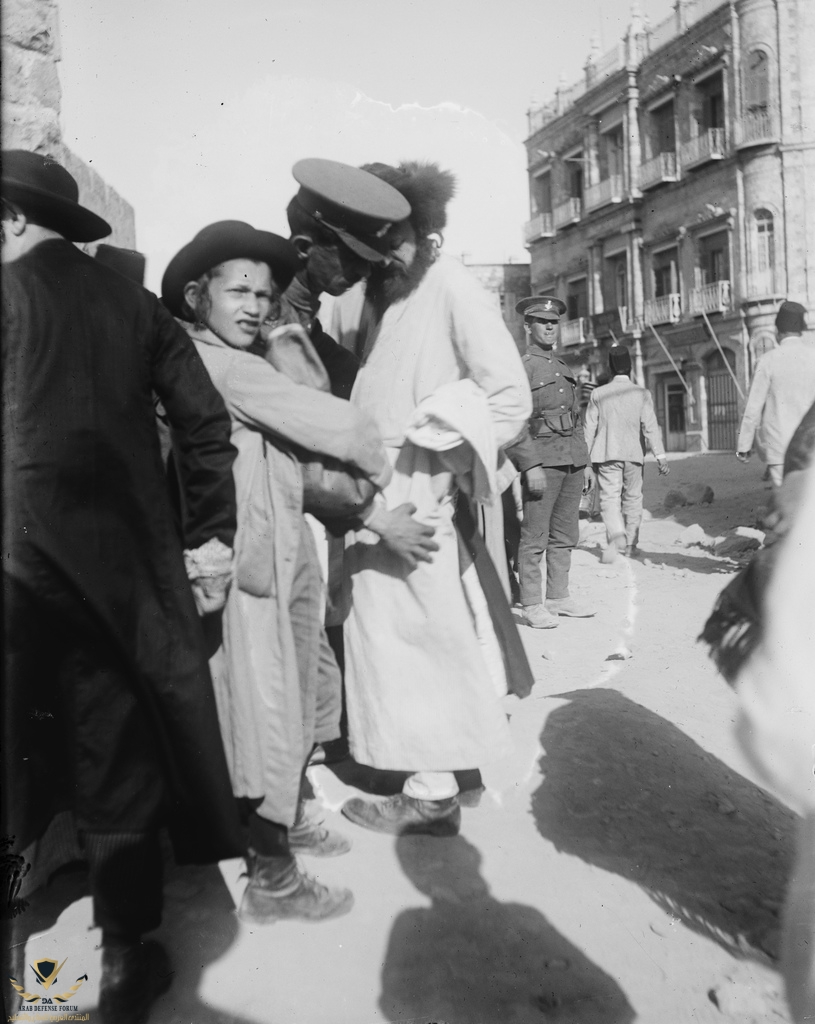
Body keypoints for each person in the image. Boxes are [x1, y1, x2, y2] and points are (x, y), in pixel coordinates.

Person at [1, 151, 243, 1024]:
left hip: (14, 583)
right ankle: (119, 965)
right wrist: (207, 539)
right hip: (124, 588)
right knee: (119, 767)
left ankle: (20, 964)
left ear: (13, 219)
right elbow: (205, 428)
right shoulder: (136, 309)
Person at [161, 219, 398, 922]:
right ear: (198, 295)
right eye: (238, 291)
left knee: (286, 695)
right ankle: (273, 879)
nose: (255, 307)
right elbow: (342, 428)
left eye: (264, 294)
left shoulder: (220, 356)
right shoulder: (228, 367)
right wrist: (387, 476)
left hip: (272, 554)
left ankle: (285, 821)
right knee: (264, 710)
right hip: (249, 569)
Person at [328, 161, 533, 837]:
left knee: (423, 637)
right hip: (378, 489)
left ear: (417, 228)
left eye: (391, 237)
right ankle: (447, 769)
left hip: (418, 491)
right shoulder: (377, 297)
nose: (383, 253)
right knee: (403, 638)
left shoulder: (450, 286)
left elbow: (508, 397)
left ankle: (429, 790)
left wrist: (443, 463)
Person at [506, 297, 595, 628]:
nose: (549, 327)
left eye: (554, 322)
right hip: (542, 463)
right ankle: (532, 603)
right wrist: (529, 465)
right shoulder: (522, 368)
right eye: (542, 322)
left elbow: (575, 418)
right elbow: (514, 422)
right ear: (528, 327)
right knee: (534, 536)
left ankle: (558, 597)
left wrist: (583, 464)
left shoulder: (564, 368)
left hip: (570, 460)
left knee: (565, 533)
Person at [583, 344, 669, 562]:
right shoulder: (642, 393)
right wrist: (660, 457)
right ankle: (631, 545)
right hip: (633, 454)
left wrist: (585, 460)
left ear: (610, 369)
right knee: (633, 499)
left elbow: (588, 429)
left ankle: (616, 534)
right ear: (629, 368)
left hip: (606, 454)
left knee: (609, 498)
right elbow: (650, 426)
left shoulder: (598, 393)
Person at [736, 300, 815, 487]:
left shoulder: (767, 361)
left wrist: (744, 446)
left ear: (779, 332)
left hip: (778, 446)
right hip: (810, 445)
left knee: (784, 498)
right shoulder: (813, 358)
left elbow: (753, 407)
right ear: (801, 330)